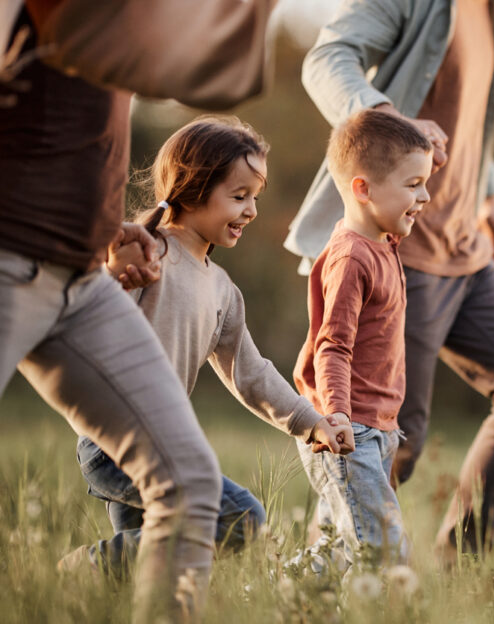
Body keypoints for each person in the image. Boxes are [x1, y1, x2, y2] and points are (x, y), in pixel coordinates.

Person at [1, 2, 277, 620]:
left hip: (78, 276)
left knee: (192, 490)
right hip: (11, 259)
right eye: (238, 194)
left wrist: (108, 228)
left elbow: (210, 73)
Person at [283, 0, 494, 560]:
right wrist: (388, 117)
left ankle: (457, 567)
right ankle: (324, 587)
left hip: (467, 247)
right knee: (388, 441)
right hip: (398, 255)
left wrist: (487, 195)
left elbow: (468, 116)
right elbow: (326, 57)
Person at [62, 115, 356, 578]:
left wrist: (311, 423)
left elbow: (251, 373)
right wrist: (114, 271)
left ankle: (94, 581)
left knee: (149, 577)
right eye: (239, 197)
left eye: (254, 198)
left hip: (158, 441)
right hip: (114, 441)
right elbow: (90, 319)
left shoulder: (222, 291)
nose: (252, 211)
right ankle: (84, 568)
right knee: (240, 519)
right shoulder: (148, 253)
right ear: (193, 189)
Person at [293, 109, 432, 568]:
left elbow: (396, 173)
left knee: (335, 552)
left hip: (378, 428)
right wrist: (336, 416)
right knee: (385, 556)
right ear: (363, 189)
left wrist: (412, 175)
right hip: (350, 430)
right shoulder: (352, 257)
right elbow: (332, 345)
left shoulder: (383, 240)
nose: (425, 196)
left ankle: (280, 603)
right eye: (414, 185)